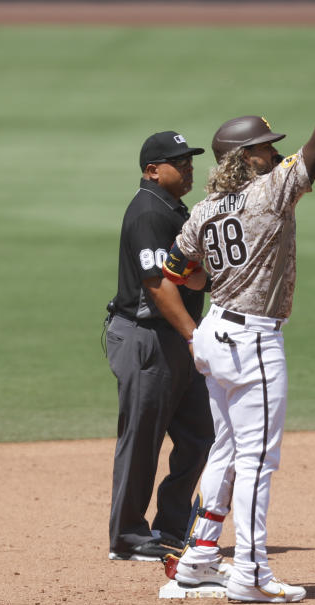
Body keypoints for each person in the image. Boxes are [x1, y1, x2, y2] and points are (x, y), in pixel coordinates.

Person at [162, 30, 315, 602]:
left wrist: (216, 275)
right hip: (254, 343)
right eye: (263, 147)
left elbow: (181, 274)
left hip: (213, 332)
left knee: (226, 451)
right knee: (256, 462)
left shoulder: (204, 212)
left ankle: (200, 557)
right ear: (244, 158)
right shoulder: (270, 193)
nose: (273, 152)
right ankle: (251, 575)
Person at [105, 130, 214, 562]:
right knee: (142, 439)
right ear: (152, 170)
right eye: (179, 162)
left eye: (189, 160)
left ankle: (170, 524)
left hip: (171, 336)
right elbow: (157, 287)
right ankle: (128, 537)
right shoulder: (149, 212)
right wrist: (194, 335)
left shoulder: (171, 208)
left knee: (198, 433)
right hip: (147, 337)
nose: (188, 167)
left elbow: (190, 275)